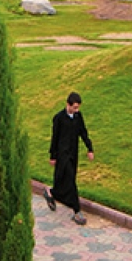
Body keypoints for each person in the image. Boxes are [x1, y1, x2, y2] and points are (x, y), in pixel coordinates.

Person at [47, 91, 94, 225]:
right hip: (62, 154)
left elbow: (83, 132)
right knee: (70, 181)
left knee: (69, 178)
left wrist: (89, 148)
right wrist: (53, 156)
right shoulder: (59, 118)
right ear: (68, 105)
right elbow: (54, 137)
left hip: (73, 153)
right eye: (74, 107)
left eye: (78, 107)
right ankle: (77, 211)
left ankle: (51, 193)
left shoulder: (78, 117)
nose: (76, 110)